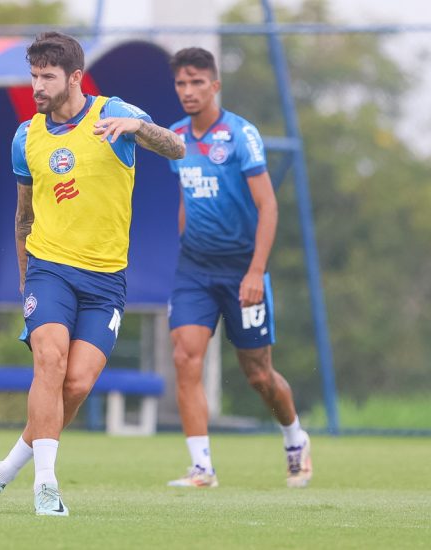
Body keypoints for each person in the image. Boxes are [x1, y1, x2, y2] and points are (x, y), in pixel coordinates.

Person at [0, 31, 185, 517]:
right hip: (49, 271)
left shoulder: (112, 113)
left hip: (106, 280)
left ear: (75, 78)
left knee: (76, 384)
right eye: (34, 75)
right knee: (50, 361)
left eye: (47, 77)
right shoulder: (26, 137)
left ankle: (3, 472)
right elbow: (22, 217)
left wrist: (135, 128)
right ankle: (47, 487)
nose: (37, 85)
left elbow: (177, 147)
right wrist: (25, 280)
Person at [165, 47, 312, 489]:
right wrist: (183, 242)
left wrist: (255, 271)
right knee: (184, 357)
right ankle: (202, 468)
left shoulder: (240, 135)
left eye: (196, 83)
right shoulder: (174, 136)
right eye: (180, 84)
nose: (188, 92)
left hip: (241, 269)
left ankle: (294, 437)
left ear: (215, 85)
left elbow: (268, 207)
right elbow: (186, 200)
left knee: (258, 375)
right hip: (194, 268)